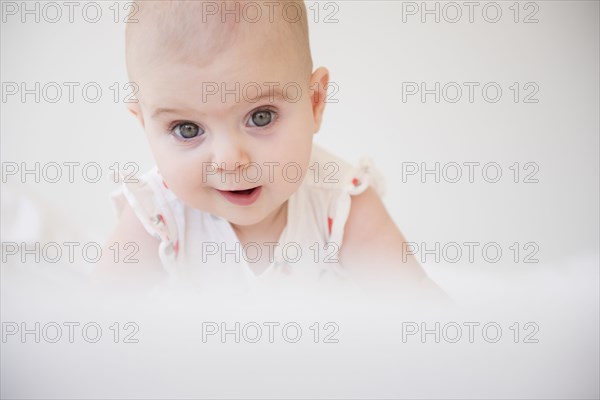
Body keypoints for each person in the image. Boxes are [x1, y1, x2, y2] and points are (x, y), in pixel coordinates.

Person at [100, 0, 446, 301]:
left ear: (314, 102)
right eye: (187, 129)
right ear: (144, 123)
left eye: (260, 117)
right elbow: (95, 325)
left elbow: (416, 308)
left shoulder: (340, 204)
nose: (230, 161)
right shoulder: (158, 219)